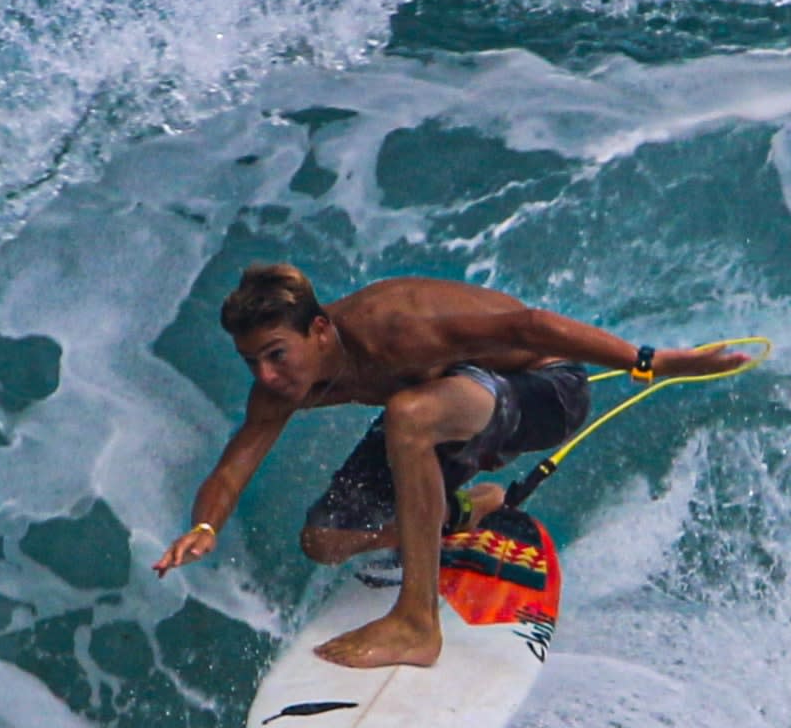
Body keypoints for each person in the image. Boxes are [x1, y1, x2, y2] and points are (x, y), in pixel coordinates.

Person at [153, 264, 752, 670]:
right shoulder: (284, 385)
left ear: (317, 330)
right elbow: (234, 467)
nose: (266, 376)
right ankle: (466, 510)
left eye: (276, 355)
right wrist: (203, 528)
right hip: (452, 414)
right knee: (325, 539)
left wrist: (650, 361)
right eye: (252, 361)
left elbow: (533, 325)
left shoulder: (393, 326)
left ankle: (417, 625)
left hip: (544, 391)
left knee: (408, 413)